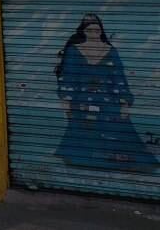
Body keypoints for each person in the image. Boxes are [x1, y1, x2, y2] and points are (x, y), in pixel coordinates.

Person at [55, 13, 158, 172]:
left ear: (101, 31)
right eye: (90, 30)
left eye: (97, 30)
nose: (94, 33)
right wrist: (67, 103)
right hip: (82, 101)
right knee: (82, 129)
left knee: (118, 129)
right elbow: (69, 77)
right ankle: (82, 160)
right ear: (84, 32)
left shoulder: (111, 51)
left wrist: (124, 103)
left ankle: (117, 161)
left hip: (108, 102)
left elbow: (119, 79)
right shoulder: (74, 51)